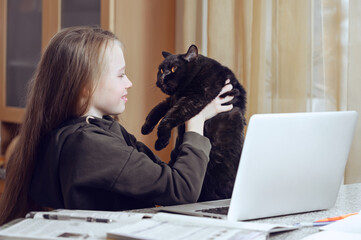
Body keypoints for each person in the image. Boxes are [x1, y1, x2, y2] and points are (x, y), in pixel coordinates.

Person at [0, 26, 234, 225]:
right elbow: (182, 190)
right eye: (121, 75)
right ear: (86, 85)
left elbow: (165, 178)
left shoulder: (89, 131)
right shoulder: (91, 145)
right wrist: (195, 121)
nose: (130, 83)